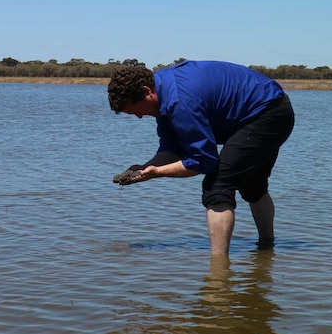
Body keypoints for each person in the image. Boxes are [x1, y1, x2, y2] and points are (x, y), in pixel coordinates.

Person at [107, 60, 295, 255]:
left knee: (217, 185)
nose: (139, 116)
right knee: (252, 184)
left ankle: (218, 271)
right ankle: (266, 250)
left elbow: (204, 160)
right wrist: (146, 167)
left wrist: (157, 172)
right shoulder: (164, 92)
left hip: (269, 115)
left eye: (136, 110)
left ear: (147, 91)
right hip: (266, 109)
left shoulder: (179, 100)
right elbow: (172, 148)